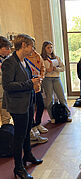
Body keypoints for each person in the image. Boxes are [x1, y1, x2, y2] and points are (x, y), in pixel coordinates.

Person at [2, 34, 43, 179]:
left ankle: (29, 156)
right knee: (19, 137)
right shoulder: (9, 62)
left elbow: (26, 80)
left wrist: (33, 81)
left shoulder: (24, 61)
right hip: (17, 104)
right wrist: (30, 83)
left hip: (27, 101)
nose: (33, 49)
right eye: (31, 45)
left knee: (27, 132)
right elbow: (7, 86)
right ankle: (18, 168)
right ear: (23, 45)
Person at [41, 41, 72, 123]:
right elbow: (40, 71)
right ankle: (52, 117)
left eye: (51, 47)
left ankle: (67, 114)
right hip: (47, 79)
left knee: (61, 96)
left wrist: (56, 69)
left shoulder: (57, 58)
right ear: (44, 48)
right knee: (49, 99)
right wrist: (47, 71)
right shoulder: (41, 59)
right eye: (48, 47)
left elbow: (63, 68)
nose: (50, 49)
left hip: (56, 78)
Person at [25, 48, 48, 145]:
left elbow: (43, 67)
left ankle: (38, 123)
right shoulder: (24, 57)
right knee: (31, 108)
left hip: (37, 85)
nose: (32, 49)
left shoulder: (37, 55)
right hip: (29, 86)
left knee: (41, 105)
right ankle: (32, 126)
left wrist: (41, 77)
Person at [0, 36, 12, 126]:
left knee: (6, 116)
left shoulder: (9, 59)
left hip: (5, 93)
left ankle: (6, 135)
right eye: (7, 49)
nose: (9, 51)